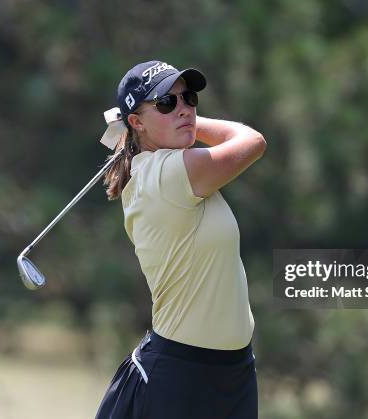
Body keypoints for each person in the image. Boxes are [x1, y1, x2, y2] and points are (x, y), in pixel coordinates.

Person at [95, 60, 266, 419]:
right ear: (136, 122)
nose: (184, 108)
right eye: (166, 103)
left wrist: (168, 118)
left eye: (188, 98)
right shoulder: (167, 174)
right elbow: (252, 141)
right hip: (182, 377)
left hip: (232, 373)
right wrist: (190, 123)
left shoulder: (166, 166)